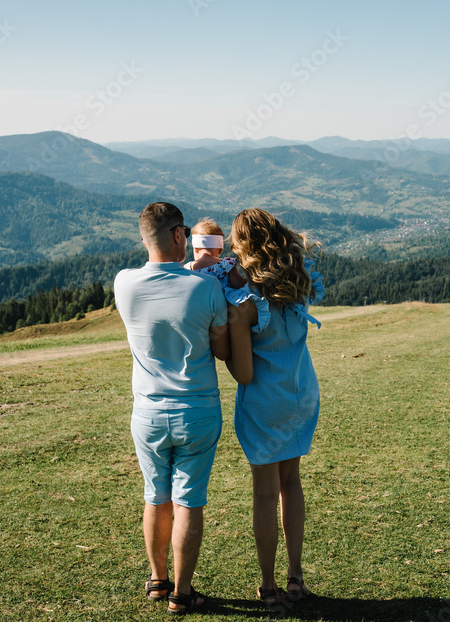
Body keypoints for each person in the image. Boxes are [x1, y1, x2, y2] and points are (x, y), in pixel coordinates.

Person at [113, 202, 229, 616]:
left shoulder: (123, 283)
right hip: (197, 410)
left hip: (146, 413)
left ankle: (157, 580)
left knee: (155, 496)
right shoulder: (206, 289)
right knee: (188, 502)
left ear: (144, 239)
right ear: (181, 236)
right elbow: (221, 347)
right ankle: (182, 593)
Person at [224, 208, 324, 610]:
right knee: (292, 484)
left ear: (244, 247)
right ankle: (295, 577)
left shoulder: (245, 302)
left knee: (265, 495)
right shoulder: (297, 286)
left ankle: (268, 587)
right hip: (301, 396)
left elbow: (244, 374)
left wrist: (225, 347)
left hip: (264, 405)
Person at [183, 217, 246, 290]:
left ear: (195, 249)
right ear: (220, 250)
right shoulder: (226, 265)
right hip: (220, 301)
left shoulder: (186, 268)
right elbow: (239, 285)